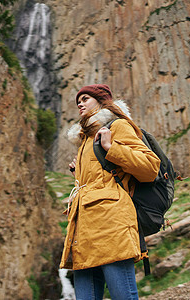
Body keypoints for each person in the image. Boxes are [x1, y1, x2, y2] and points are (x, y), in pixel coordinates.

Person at [60, 84, 161, 299]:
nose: (80, 103)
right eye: (78, 100)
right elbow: (99, 177)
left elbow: (150, 168)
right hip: (83, 230)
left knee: (122, 295)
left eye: (86, 98)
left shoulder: (118, 126)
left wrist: (111, 148)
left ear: (101, 100)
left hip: (111, 227)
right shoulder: (85, 138)